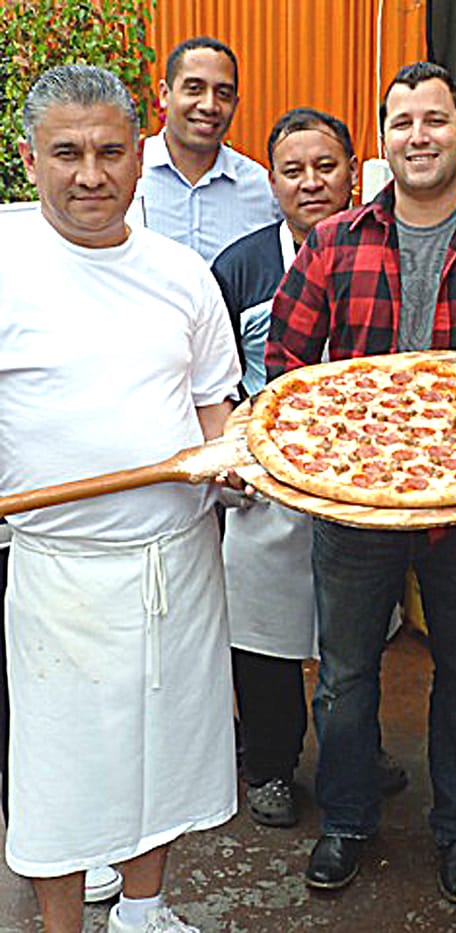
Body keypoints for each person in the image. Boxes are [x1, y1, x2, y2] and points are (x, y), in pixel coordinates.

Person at [265, 61, 456, 903]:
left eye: (435, 120)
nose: (419, 136)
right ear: (384, 140)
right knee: (343, 676)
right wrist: (336, 448)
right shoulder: (335, 242)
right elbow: (286, 364)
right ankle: (346, 819)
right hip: (353, 498)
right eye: (402, 123)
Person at [1, 65, 240, 933]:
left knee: (166, 754)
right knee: (59, 775)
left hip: (177, 558)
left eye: (109, 151)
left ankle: (143, 912)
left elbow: (217, 398)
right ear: (30, 160)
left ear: (139, 160)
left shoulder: (182, 275)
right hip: (61, 570)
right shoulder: (5, 258)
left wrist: (230, 457)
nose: (90, 175)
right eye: (66, 152)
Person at [210, 106, 407, 828]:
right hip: (268, 477)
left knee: (353, 633)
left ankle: (356, 749)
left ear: (354, 172)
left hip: (362, 476)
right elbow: (214, 374)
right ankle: (270, 761)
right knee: (262, 632)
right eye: (293, 170)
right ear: (273, 181)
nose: (311, 181)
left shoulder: (384, 250)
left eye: (326, 166)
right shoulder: (242, 263)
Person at [139, 36, 280, 263]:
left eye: (223, 93)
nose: (209, 105)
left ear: (235, 103)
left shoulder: (261, 189)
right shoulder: (128, 174)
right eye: (194, 89)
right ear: (165, 94)